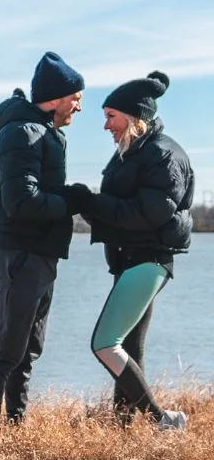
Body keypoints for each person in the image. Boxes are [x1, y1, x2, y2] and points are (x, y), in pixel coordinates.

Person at [0, 52, 90, 433]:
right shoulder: (21, 134)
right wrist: (71, 200)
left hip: (41, 253)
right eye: (77, 97)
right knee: (8, 348)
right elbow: (21, 202)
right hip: (20, 253)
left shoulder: (44, 133)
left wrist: (68, 200)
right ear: (57, 97)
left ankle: (17, 424)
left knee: (28, 349)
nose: (80, 105)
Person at [75, 71, 194, 430]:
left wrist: (91, 204)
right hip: (132, 259)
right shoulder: (134, 151)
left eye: (111, 116)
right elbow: (123, 206)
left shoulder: (162, 155)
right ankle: (122, 425)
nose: (105, 125)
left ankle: (163, 420)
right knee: (129, 344)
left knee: (104, 343)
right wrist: (86, 203)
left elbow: (148, 213)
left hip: (149, 259)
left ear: (133, 116)